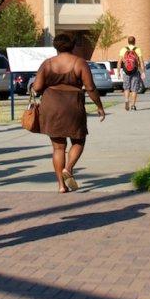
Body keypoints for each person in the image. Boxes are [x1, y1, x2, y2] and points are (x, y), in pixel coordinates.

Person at [32, 31, 106, 193]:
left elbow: (37, 87)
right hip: (73, 105)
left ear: (55, 46)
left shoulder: (47, 64)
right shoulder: (79, 63)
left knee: (58, 148)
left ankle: (61, 185)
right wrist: (99, 106)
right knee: (79, 141)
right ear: (72, 46)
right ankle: (69, 168)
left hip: (51, 106)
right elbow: (91, 87)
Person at [118, 35, 146, 111]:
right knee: (134, 89)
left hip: (126, 72)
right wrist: (143, 72)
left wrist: (118, 72)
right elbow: (141, 61)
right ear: (134, 42)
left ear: (128, 42)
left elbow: (119, 62)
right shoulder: (137, 49)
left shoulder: (123, 49)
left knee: (126, 88)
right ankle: (133, 105)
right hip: (135, 72)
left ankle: (127, 100)